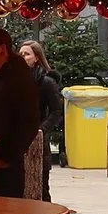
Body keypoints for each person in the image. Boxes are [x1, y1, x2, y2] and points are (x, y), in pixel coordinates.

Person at [0, 28, 42, 198]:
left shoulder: (20, 81)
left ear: (3, 49)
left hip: (6, 169)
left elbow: (29, 122)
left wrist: (8, 159)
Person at [19, 40, 62, 200]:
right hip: (17, 140)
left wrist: (41, 129)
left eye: (27, 54)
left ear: (36, 58)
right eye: (21, 54)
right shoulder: (14, 80)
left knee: (41, 188)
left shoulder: (46, 82)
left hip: (38, 139)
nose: (23, 57)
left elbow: (56, 111)